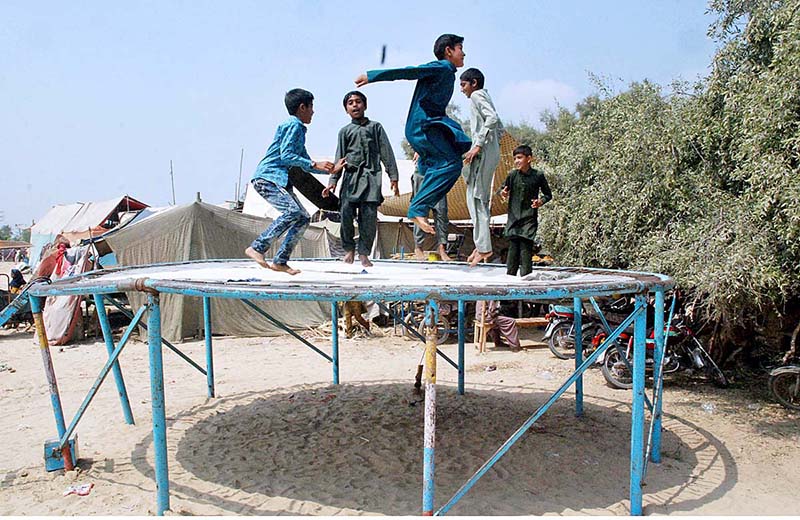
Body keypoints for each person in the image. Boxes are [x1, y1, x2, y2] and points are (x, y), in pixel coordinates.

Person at [354, 34, 471, 236]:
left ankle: (420, 203)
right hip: (423, 126)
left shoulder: (448, 72)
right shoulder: (441, 67)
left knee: (448, 157)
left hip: (429, 125)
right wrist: (372, 76)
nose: (464, 52)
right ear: (449, 51)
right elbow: (409, 72)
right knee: (452, 164)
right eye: (460, 48)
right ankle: (418, 209)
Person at [245, 88, 338, 275]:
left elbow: (303, 162)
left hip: (280, 180)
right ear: (302, 107)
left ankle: (280, 261)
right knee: (293, 211)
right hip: (269, 177)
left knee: (303, 217)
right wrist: (314, 163)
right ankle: (257, 247)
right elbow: (287, 156)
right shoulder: (293, 125)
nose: (313, 112)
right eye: (311, 107)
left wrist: (329, 168)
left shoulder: (299, 130)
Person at [323, 91, 399, 268]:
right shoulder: (344, 132)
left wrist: (393, 177)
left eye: (358, 102)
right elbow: (339, 158)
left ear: (365, 105)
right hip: (351, 179)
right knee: (346, 215)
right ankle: (349, 250)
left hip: (371, 178)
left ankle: (364, 253)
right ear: (346, 109)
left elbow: (387, 153)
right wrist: (333, 181)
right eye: (350, 103)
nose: (355, 105)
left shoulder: (376, 127)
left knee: (369, 219)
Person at [459, 67, 504, 267]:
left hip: (483, 152)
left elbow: (492, 119)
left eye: (463, 84)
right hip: (488, 152)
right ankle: (481, 244)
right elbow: (499, 126)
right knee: (477, 199)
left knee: (477, 200)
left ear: (473, 83)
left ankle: (484, 247)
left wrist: (478, 145)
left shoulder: (477, 95)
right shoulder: (484, 96)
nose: (462, 90)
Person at [500, 145, 552, 277]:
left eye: (519, 158)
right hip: (513, 219)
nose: (516, 161)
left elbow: (548, 195)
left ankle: (526, 285)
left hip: (529, 219)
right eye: (515, 158)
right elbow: (502, 189)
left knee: (525, 252)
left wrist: (540, 201)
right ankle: (509, 286)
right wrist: (503, 193)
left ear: (529, 159)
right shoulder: (512, 175)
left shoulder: (538, 176)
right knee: (512, 252)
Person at [410, 152, 451, 261]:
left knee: (441, 211)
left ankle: (441, 248)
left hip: (439, 171)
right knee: (420, 212)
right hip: (422, 171)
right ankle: (418, 247)